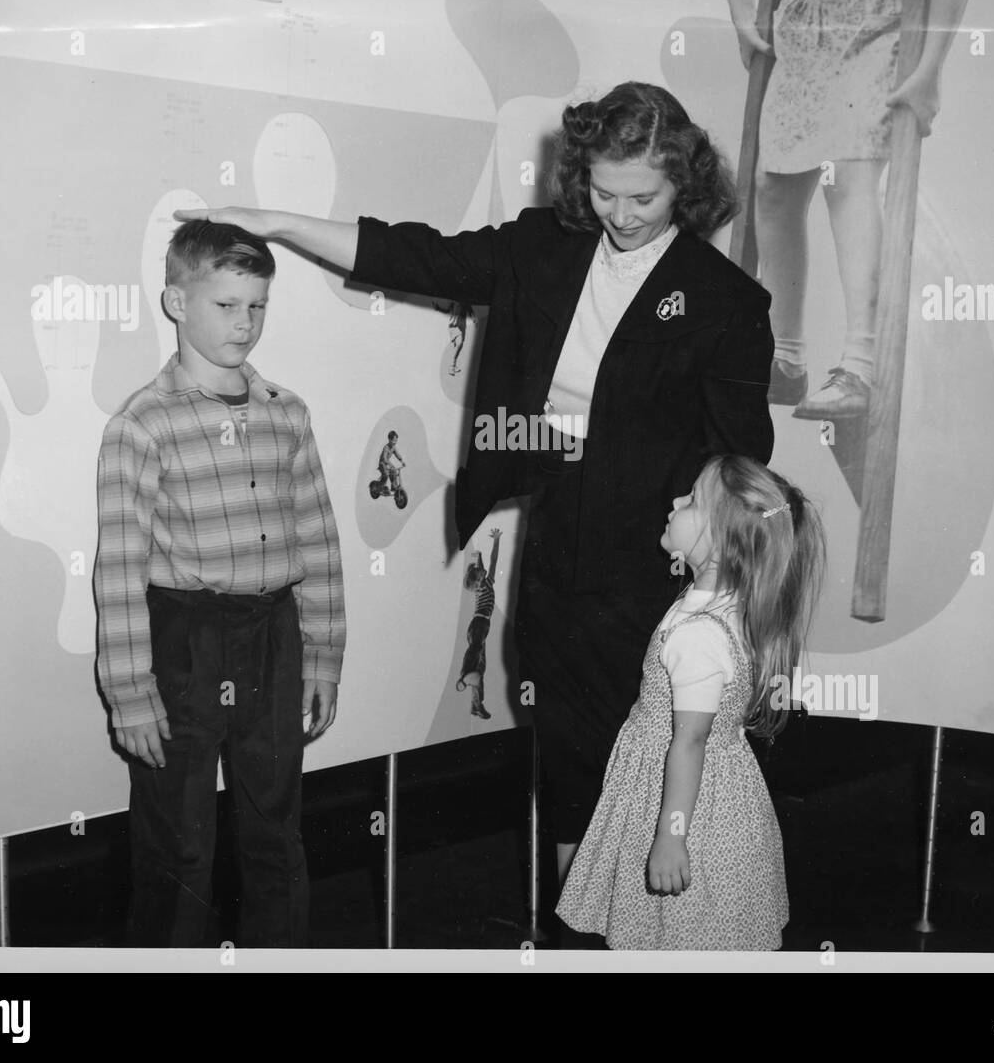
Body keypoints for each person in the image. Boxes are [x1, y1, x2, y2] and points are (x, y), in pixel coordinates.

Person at [174, 81, 775, 904]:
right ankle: (582, 932)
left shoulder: (726, 300)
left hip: (655, 554)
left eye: (646, 195)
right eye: (605, 192)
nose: (623, 213)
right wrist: (280, 225)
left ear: (687, 186)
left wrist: (725, 588)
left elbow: (742, 460)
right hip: (558, 531)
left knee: (638, 752)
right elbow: (415, 254)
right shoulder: (546, 247)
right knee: (566, 749)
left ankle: (646, 933)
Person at [93, 220, 346, 947]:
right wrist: (131, 692)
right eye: (226, 305)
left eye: (257, 306)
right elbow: (117, 572)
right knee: (179, 842)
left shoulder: (286, 412)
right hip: (186, 640)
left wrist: (324, 654)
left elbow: (320, 542)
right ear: (176, 302)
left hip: (274, 635)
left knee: (275, 828)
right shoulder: (141, 425)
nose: (245, 323)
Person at [556, 455, 825, 949]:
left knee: (677, 930)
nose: (676, 502)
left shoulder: (699, 633)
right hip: (719, 794)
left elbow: (689, 742)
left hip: (683, 799)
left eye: (693, 501)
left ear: (722, 542)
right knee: (697, 930)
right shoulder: (727, 606)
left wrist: (672, 836)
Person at [721, 0, 972, 416]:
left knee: (848, 179)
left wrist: (930, 71)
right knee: (772, 185)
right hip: (804, 26)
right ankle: (786, 359)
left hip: (880, 26)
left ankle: (861, 366)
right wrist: (740, 17)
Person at [457, 528, 501, 720]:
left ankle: (477, 705)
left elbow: (492, 562)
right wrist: (479, 559)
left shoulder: (487, 581)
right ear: (478, 581)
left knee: (480, 669)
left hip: (482, 626)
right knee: (475, 650)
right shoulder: (482, 585)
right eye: (481, 573)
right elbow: (483, 566)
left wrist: (496, 542)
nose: (485, 572)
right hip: (478, 624)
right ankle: (464, 674)